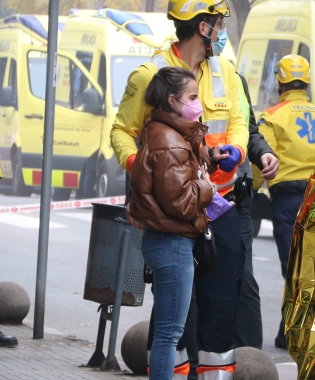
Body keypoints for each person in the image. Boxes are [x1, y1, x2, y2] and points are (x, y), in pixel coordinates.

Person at [110, 1, 265, 378]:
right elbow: (121, 133)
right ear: (203, 26)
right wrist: (146, 171)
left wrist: (239, 151)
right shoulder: (151, 74)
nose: (223, 28)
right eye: (219, 22)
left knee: (223, 301)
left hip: (219, 203)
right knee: (175, 312)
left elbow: (241, 121)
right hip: (174, 212)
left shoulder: (225, 70)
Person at [128, 67, 215, 380]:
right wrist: (207, 187)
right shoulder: (171, 142)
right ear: (173, 99)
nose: (198, 103)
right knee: (169, 333)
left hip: (163, 240)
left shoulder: (159, 132)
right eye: (192, 97)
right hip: (172, 242)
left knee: (168, 330)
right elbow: (182, 203)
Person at [251, 54, 315, 350]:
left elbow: (261, 161)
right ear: (306, 82)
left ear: (279, 82)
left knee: (292, 266)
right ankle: (293, 331)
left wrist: (254, 188)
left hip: (289, 201)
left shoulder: (272, 116)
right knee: (313, 264)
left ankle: (296, 334)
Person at [233, 71, 278, 350]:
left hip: (233, 197)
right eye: (220, 24)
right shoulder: (168, 73)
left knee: (243, 279)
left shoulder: (233, 78)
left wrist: (263, 153)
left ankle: (250, 360)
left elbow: (250, 132)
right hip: (188, 197)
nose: (222, 30)